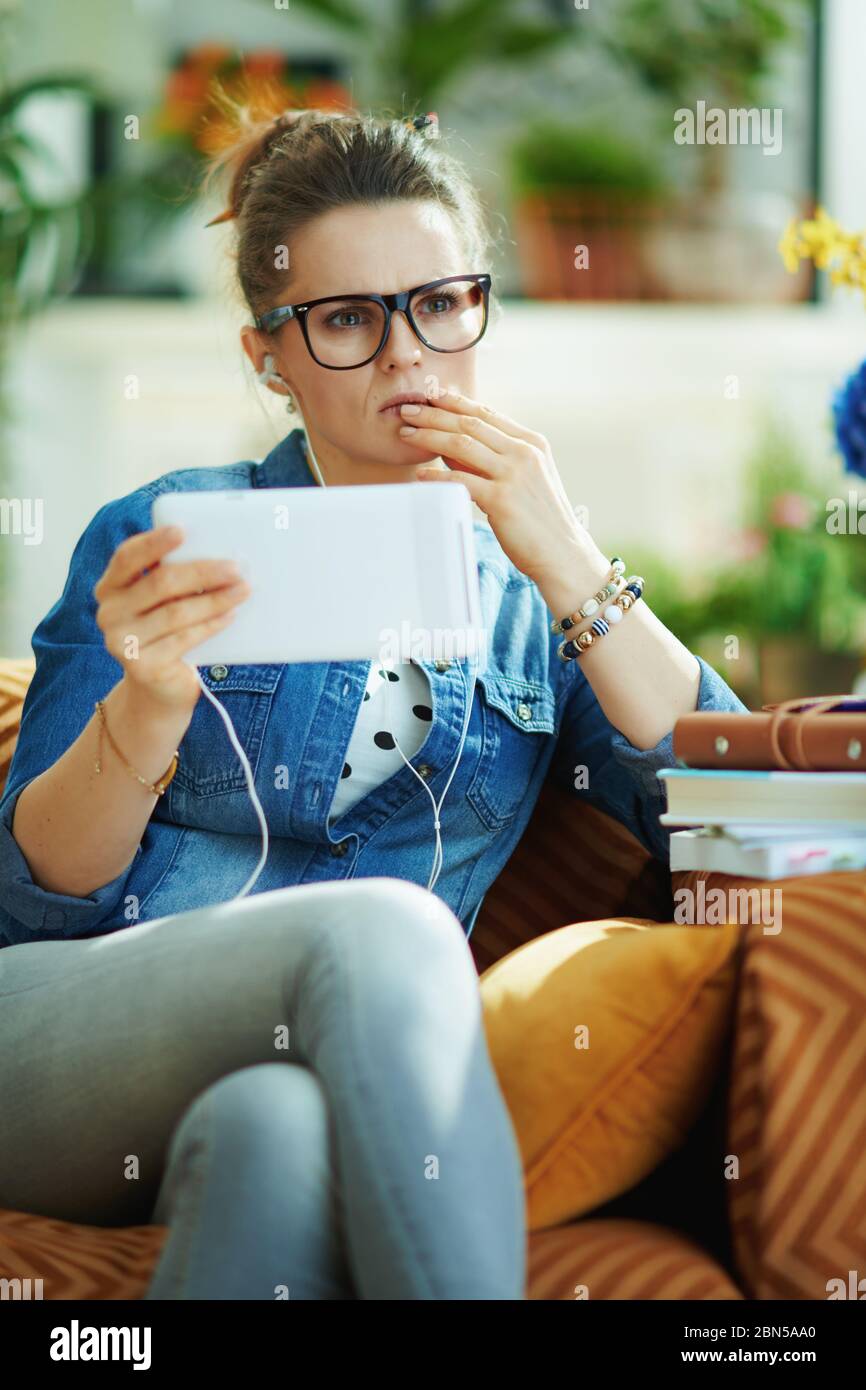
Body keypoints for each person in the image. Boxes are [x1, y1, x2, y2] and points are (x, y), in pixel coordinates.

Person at [0, 105, 748, 1300]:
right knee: (389, 924)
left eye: (440, 303)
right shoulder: (165, 534)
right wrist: (141, 710)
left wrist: (569, 561)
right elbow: (34, 900)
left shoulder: (533, 600)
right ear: (270, 359)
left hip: (304, 1075)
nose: (406, 354)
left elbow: (727, 816)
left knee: (274, 1132)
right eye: (346, 319)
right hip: (65, 1045)